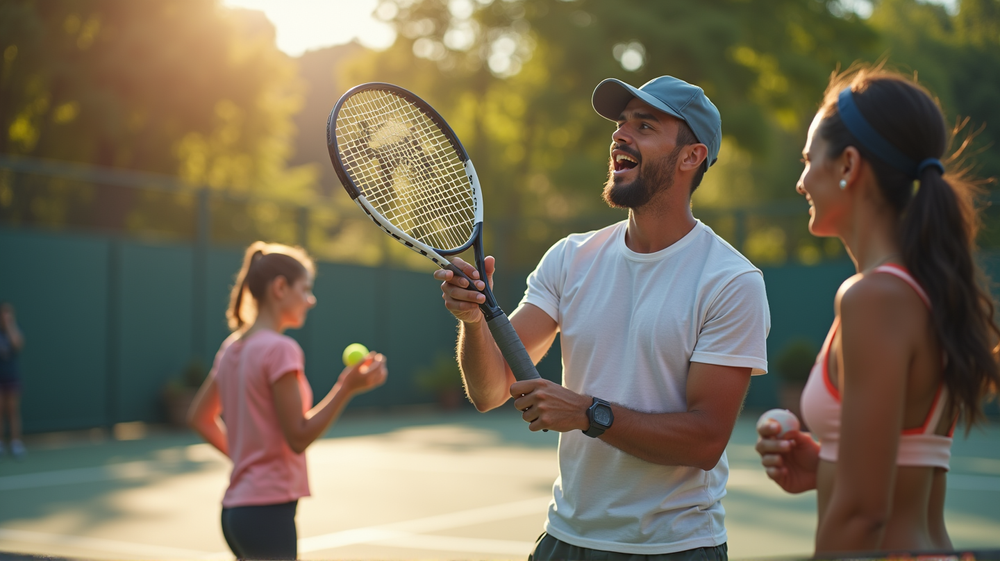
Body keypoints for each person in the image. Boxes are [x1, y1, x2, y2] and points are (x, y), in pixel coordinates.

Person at [436, 76, 770, 560]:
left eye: (645, 125)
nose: (620, 135)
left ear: (691, 156)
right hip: (565, 541)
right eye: (620, 124)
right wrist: (472, 320)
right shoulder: (570, 257)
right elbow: (490, 391)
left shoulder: (731, 281)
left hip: (675, 548)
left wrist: (589, 413)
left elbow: (704, 441)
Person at [755, 65, 1000, 556]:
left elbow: (864, 515)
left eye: (809, 159)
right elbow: (902, 462)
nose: (802, 181)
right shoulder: (921, 291)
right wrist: (827, 464)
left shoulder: (872, 298)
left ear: (847, 165)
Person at [188, 242, 387, 560]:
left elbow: (199, 417)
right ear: (280, 288)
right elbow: (298, 436)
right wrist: (346, 387)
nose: (311, 300)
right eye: (305, 289)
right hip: (266, 513)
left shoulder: (231, 348)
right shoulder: (280, 349)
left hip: (235, 513)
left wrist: (245, 459)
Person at [0, 302, 26, 460]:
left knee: (13, 411)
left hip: (12, 377)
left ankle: (16, 443)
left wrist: (10, 326)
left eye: (8, 315)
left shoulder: (15, 330)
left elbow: (18, 344)